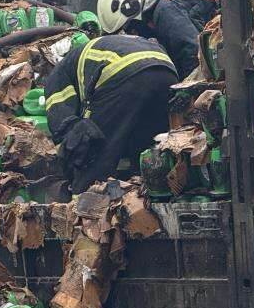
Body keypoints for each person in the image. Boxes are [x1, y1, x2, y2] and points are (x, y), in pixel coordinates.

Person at [45, 35, 178, 193]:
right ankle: (150, 201)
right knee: (150, 155)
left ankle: (84, 212)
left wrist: (73, 171)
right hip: (167, 71)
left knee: (96, 156)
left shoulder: (57, 75)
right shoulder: (93, 53)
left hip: (125, 71)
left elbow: (68, 128)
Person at [96, 0, 220, 78]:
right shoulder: (165, 6)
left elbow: (192, 53)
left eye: (130, 30)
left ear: (132, 8)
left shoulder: (164, 11)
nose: (134, 35)